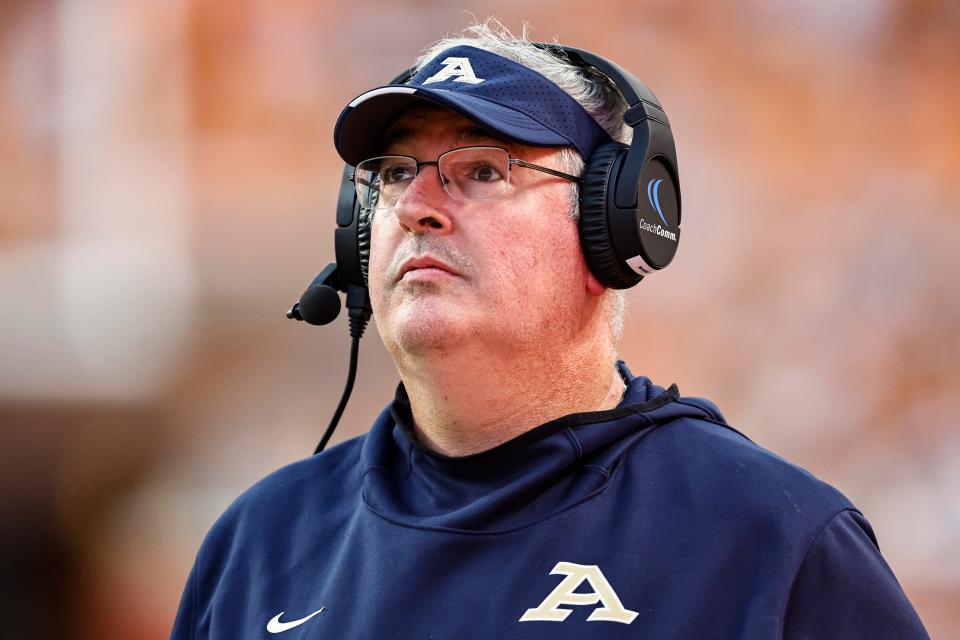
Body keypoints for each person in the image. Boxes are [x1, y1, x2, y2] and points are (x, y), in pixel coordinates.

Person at [171, 22, 929, 639]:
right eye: (396, 173)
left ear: (612, 222)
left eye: (483, 170)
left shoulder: (771, 538)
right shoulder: (261, 543)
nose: (414, 206)